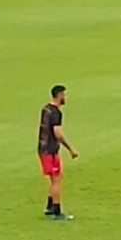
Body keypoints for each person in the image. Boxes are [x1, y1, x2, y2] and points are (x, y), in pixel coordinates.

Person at [38, 85, 78, 220]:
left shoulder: (45, 109)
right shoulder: (56, 113)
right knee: (56, 180)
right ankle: (57, 211)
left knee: (56, 177)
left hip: (43, 149)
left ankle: (49, 207)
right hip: (50, 150)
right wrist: (70, 149)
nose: (65, 98)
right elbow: (58, 133)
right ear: (59, 95)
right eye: (64, 95)